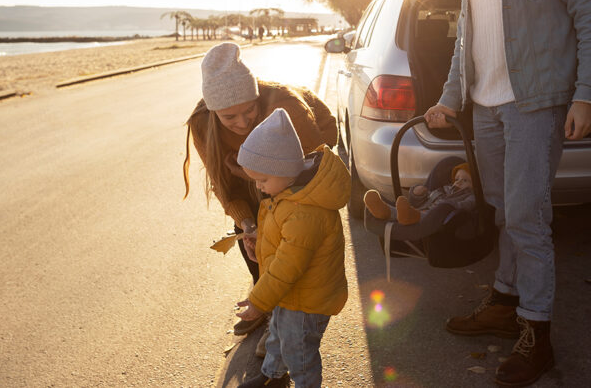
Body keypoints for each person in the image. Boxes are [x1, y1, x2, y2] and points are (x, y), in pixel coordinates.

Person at [423, 0, 591, 387]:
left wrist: (587, 94)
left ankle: (538, 333)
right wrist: (449, 96)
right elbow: (467, 38)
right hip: (485, 107)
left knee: (528, 216)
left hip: (535, 104)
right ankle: (505, 302)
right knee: (502, 209)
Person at [184, 42, 338, 340]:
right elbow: (224, 187)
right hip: (246, 170)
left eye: (249, 110)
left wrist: (251, 177)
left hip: (304, 160)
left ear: (257, 98)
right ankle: (266, 304)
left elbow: (309, 174)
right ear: (214, 112)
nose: (242, 123)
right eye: (230, 118)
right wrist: (248, 224)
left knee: (291, 237)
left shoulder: (285, 106)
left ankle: (286, 327)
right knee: (254, 235)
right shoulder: (202, 123)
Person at [233, 108, 350, 388]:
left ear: (283, 170)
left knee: (299, 352)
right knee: (278, 335)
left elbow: (288, 265)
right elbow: (284, 238)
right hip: (293, 295)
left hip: (306, 301)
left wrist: (259, 302)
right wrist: (261, 239)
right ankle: (272, 376)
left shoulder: (305, 211)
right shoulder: (289, 194)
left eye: (263, 180)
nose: (260, 188)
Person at [362, 158, 474, 226]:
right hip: (423, 210)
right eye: (457, 179)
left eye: (465, 180)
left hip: (438, 219)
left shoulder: (470, 196)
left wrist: (446, 206)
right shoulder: (444, 189)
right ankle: (384, 210)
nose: (458, 182)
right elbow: (424, 200)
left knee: (417, 215)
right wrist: (417, 194)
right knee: (405, 210)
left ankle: (396, 214)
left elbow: (466, 206)